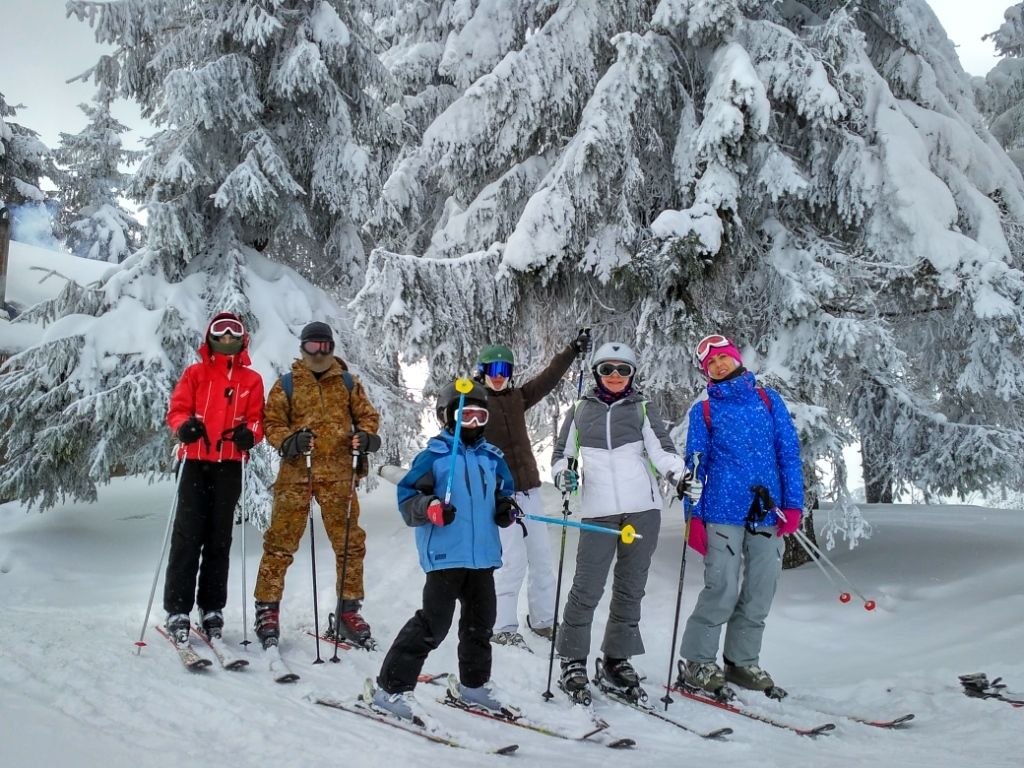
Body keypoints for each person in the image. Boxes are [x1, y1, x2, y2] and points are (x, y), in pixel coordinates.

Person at [370, 380, 523, 722]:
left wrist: (505, 507)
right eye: (465, 415)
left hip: (483, 556)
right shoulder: (434, 458)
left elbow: (504, 491)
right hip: (445, 556)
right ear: (446, 417)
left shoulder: (492, 458)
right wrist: (430, 508)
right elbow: (408, 499)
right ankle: (390, 689)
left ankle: (474, 686)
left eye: (480, 416)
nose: (473, 423)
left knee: (480, 625)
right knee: (433, 624)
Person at [550, 341, 687, 703]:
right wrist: (564, 474)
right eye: (607, 369)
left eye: (622, 370)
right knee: (586, 588)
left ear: (632, 375)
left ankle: (616, 660)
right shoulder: (579, 411)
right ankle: (572, 660)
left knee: (630, 589)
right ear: (596, 373)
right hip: (598, 510)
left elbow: (662, 450)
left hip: (642, 509)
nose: (614, 375)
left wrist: (679, 476)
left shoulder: (642, 408)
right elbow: (562, 455)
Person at [675, 334, 804, 696]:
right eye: (710, 363)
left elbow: (788, 454)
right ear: (706, 371)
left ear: (736, 357)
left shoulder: (768, 400)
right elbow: (695, 469)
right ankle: (699, 662)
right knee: (722, 588)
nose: (719, 365)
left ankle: (741, 661)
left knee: (761, 588)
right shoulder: (703, 412)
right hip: (720, 512)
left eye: (723, 357)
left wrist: (794, 504)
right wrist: (692, 517)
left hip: (768, 512)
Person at [253, 322, 382, 650]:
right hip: (297, 474)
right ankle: (267, 609)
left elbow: (368, 417)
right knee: (280, 543)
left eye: (325, 346)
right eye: (313, 346)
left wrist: (366, 437)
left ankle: (348, 611)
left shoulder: (348, 382)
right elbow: (271, 422)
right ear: (302, 348)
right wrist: (289, 441)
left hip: (339, 475)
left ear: (332, 348)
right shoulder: (287, 384)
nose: (319, 353)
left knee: (350, 543)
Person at [475, 331, 592, 650]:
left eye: (504, 370)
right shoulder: (476, 404)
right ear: (482, 372)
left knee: (541, 559)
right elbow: (454, 419)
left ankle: (542, 621)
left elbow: (548, 378)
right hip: (500, 498)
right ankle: (502, 626)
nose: (499, 376)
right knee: (511, 562)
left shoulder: (518, 398)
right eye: (492, 369)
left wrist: (571, 351)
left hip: (530, 492)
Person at [163, 312, 265, 644]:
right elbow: (177, 410)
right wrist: (184, 427)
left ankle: (212, 608)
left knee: (219, 538)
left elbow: (257, 419)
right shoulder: (195, 373)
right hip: (194, 462)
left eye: (232, 335)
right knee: (187, 536)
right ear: (210, 338)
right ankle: (178, 609)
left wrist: (250, 435)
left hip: (228, 465)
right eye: (220, 335)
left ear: (241, 340)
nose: (226, 339)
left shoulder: (251, 380)